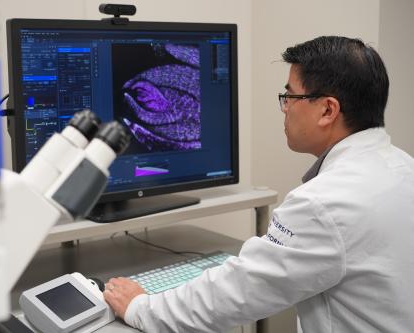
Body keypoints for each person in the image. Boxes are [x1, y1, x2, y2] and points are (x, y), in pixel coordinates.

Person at [103, 36, 414, 332]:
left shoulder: (324, 204)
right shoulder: (403, 168)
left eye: (290, 96)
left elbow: (232, 296)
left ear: (327, 110)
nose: (285, 107)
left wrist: (140, 307)